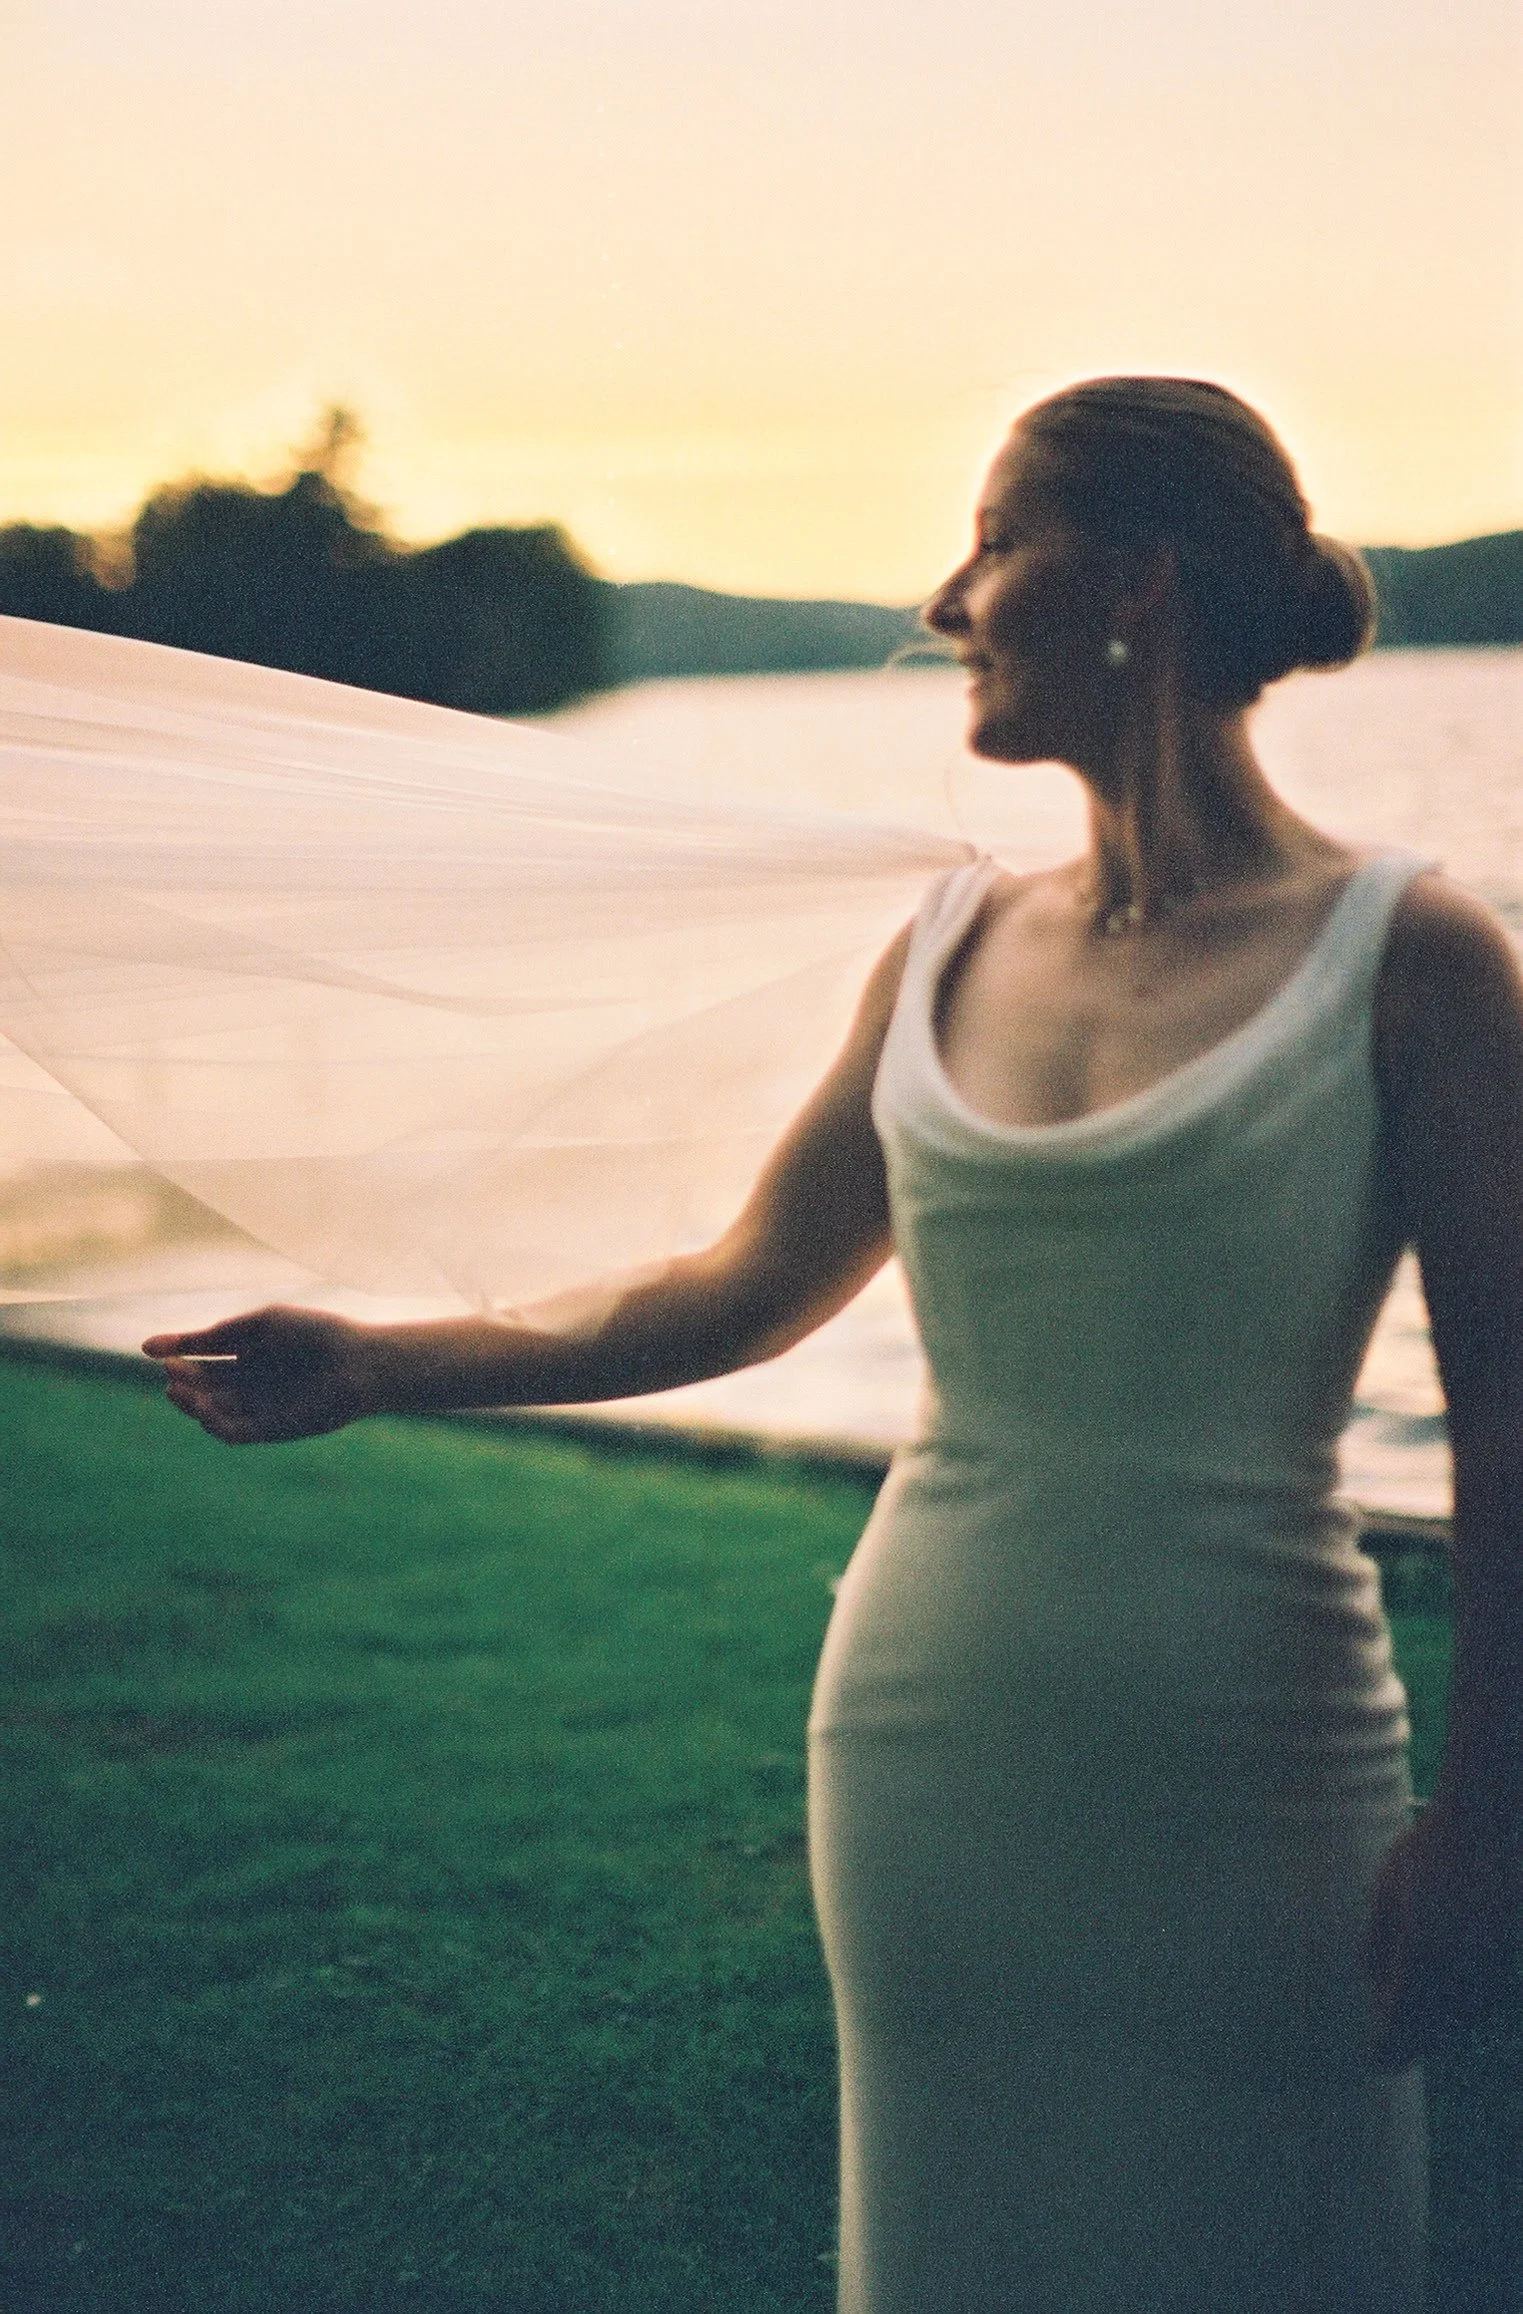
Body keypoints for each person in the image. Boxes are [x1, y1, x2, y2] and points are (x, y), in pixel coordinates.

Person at [146, 376, 1522, 2312]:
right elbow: (734, 1284)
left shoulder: (1416, 960)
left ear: (1133, 579)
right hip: (925, 1741)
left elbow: (1507, 1429)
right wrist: (381, 1359)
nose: (944, 600)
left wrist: (1490, 1826)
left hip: (1257, 1755)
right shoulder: (944, 946)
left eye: (994, 542)